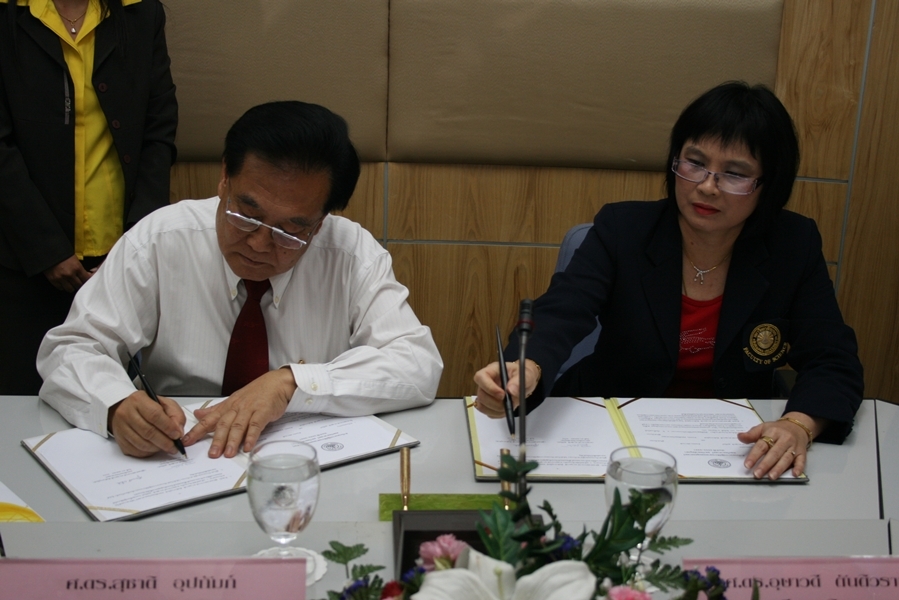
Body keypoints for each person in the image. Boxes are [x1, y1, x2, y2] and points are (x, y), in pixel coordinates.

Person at [474, 82, 863, 481]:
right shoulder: (623, 230)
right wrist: (528, 365)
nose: (706, 186)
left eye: (734, 174)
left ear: (769, 185)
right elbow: (563, 309)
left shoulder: (792, 245)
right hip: (612, 431)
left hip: (734, 448)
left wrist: (799, 424)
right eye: (694, 163)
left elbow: (832, 357)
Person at [38, 100, 443, 459]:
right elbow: (72, 346)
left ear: (320, 224)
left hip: (303, 462)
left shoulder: (351, 254)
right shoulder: (160, 239)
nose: (260, 243)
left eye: (290, 231)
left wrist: (291, 383)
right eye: (247, 215)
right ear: (224, 178)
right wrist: (116, 404)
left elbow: (416, 363)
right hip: (182, 455)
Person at [0, 0, 178, 395]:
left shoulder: (141, 12)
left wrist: (135, 245)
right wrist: (46, 249)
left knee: (114, 404)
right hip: (21, 258)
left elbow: (159, 129)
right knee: (23, 401)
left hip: (117, 258)